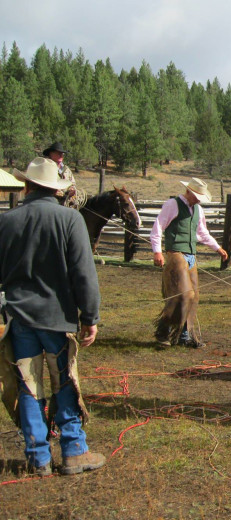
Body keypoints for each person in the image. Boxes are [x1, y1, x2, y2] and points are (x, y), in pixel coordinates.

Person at [0, 157, 105, 476]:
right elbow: (84, 274)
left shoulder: (7, 221)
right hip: (58, 319)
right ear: (57, 190)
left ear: (28, 186)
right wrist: (91, 316)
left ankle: (38, 456)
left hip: (19, 319)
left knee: (29, 386)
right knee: (65, 383)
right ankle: (73, 450)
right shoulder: (70, 220)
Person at [150, 178, 228, 348]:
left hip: (191, 256)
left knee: (194, 297)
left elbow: (202, 233)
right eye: (198, 196)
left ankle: (185, 335)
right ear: (190, 193)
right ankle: (163, 330)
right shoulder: (172, 204)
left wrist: (217, 248)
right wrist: (157, 251)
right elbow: (158, 227)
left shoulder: (198, 209)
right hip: (176, 253)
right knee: (184, 295)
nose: (199, 200)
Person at [42, 142, 77, 207]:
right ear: (51, 154)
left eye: (62, 153)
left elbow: (73, 183)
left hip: (66, 203)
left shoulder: (66, 169)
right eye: (58, 153)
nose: (61, 155)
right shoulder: (45, 167)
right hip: (49, 203)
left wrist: (72, 190)